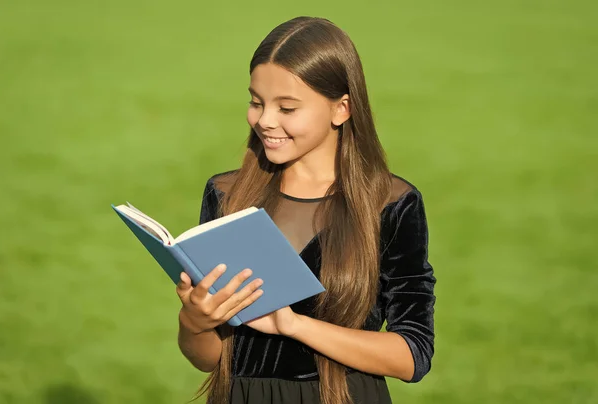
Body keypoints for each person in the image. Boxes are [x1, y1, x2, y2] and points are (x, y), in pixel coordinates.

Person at [175, 16, 436, 404]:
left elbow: (413, 355)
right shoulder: (227, 195)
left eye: (288, 108)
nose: (265, 121)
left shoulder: (391, 205)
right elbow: (209, 360)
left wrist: (295, 326)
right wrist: (194, 323)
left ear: (342, 109)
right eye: (256, 102)